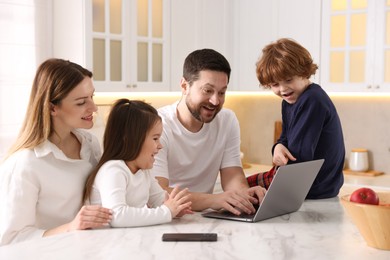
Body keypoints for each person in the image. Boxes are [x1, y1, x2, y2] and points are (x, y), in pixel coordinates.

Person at [0, 59, 112, 246]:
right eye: (81, 102)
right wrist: (70, 227)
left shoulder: (89, 143)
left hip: (88, 249)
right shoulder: (24, 164)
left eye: (92, 97)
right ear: (53, 107)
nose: (93, 108)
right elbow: (10, 240)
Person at [151, 49, 266, 216]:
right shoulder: (158, 125)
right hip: (167, 219)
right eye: (207, 90)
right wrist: (215, 200)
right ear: (184, 86)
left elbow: (232, 174)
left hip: (205, 217)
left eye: (222, 92)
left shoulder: (227, 121)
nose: (215, 101)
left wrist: (242, 196)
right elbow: (159, 193)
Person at [246, 38, 345, 199]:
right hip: (305, 182)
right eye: (274, 84)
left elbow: (299, 157)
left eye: (288, 80)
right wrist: (278, 147)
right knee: (239, 188)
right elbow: (285, 137)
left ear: (304, 72)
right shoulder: (290, 101)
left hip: (311, 186)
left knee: (240, 189)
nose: (283, 89)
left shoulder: (312, 99)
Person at [83, 99, 193, 227]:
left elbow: (160, 200)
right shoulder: (113, 170)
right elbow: (117, 216)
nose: (160, 146)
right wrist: (166, 212)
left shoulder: (144, 171)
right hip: (105, 243)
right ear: (131, 139)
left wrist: (175, 208)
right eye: (155, 138)